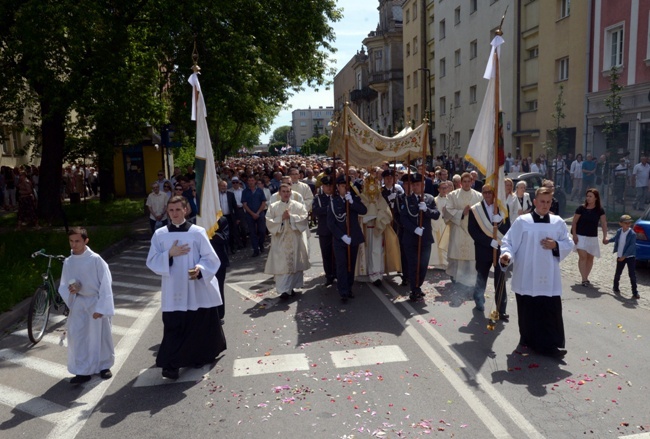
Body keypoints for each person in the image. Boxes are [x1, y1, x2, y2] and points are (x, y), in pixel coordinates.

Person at [146, 196, 227, 380]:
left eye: (178, 209)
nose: (174, 214)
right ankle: (171, 365)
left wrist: (200, 269)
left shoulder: (197, 232)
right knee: (174, 326)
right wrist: (169, 254)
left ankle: (198, 356)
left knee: (197, 324)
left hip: (195, 286)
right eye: (171, 210)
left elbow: (210, 258)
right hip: (173, 288)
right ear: (168, 212)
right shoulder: (160, 234)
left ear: (185, 210)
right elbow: (151, 261)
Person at [500, 187, 575, 358]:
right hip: (526, 274)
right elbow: (508, 242)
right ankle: (527, 340)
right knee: (528, 310)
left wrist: (556, 245)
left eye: (548, 202)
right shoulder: (522, 222)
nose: (545, 205)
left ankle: (551, 345)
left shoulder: (557, 222)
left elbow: (568, 243)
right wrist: (506, 255)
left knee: (550, 310)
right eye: (542, 201)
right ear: (534, 202)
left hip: (549, 276)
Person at [58, 227, 115, 384]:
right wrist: (72, 291)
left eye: (77, 241)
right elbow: (64, 284)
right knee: (78, 336)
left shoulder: (95, 260)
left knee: (100, 335)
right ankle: (83, 371)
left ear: (85, 241)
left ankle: (104, 366)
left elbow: (105, 284)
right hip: (79, 301)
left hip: (95, 301)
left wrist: (101, 308)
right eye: (71, 241)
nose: (74, 244)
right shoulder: (69, 262)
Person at [468, 185, 510, 318]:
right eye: (484, 192)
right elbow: (472, 230)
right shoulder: (475, 210)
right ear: (482, 193)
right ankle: (479, 301)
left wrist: (500, 223)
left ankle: (501, 309)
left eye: (489, 192)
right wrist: (488, 242)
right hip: (482, 249)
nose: (487, 195)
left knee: (500, 279)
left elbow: (508, 227)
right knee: (481, 277)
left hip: (499, 249)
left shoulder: (502, 208)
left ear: (494, 193)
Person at [264, 183, 310, 299]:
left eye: (288, 191)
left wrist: (292, 217)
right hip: (280, 240)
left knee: (294, 263)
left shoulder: (298, 206)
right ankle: (284, 290)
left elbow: (304, 218)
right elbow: (269, 221)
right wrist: (282, 218)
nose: (286, 194)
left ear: (291, 192)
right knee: (282, 265)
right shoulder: (273, 206)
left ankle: (292, 287)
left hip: (294, 239)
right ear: (279, 193)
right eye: (283, 191)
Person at [399, 174, 440, 300]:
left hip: (425, 238)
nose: (416, 187)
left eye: (418, 184)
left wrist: (426, 209)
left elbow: (436, 214)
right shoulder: (406, 199)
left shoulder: (429, 198)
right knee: (413, 264)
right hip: (411, 238)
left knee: (423, 266)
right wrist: (415, 229)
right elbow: (403, 218)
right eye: (414, 185)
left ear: (423, 185)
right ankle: (414, 289)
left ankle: (418, 285)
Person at [327, 175, 367, 302]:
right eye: (342, 186)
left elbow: (364, 210)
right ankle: (343, 291)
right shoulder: (334, 202)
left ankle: (349, 288)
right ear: (338, 187)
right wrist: (342, 236)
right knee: (341, 265)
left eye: (346, 186)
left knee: (351, 264)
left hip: (353, 237)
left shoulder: (353, 198)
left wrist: (352, 202)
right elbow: (331, 223)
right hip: (340, 240)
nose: (345, 188)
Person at [356, 173, 400, 285]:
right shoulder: (361, 198)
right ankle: (365, 272)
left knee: (376, 252)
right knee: (364, 251)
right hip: (364, 230)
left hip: (377, 229)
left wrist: (378, 218)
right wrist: (365, 217)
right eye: (369, 185)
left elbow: (386, 212)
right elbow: (357, 213)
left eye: (374, 185)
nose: (372, 189)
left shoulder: (380, 198)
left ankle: (376, 275)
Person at [443, 172, 482, 286]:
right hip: (458, 228)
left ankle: (470, 281)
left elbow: (482, 212)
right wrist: (461, 213)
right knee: (458, 256)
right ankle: (456, 278)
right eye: (464, 182)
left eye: (468, 181)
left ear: (472, 182)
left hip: (472, 231)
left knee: (471, 257)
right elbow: (448, 210)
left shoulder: (478, 196)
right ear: (461, 183)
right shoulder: (452, 195)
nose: (466, 184)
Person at [571, 188, 607, 286]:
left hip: (592, 237)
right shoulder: (581, 209)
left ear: (596, 198)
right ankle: (584, 279)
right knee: (583, 257)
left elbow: (604, 224)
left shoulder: (599, 210)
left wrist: (605, 237)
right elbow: (574, 222)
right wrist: (574, 234)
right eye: (587, 196)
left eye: (590, 196)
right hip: (580, 236)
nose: (588, 198)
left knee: (590, 258)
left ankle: (586, 276)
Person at [608, 214, 639, 299]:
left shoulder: (632, 234)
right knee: (618, 272)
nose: (628, 224)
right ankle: (615, 286)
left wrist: (624, 256)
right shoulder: (619, 231)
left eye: (629, 223)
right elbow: (616, 238)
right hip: (620, 255)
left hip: (630, 257)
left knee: (632, 274)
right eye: (626, 223)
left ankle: (635, 292)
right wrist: (608, 241)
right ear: (620, 223)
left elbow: (631, 246)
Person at [312, 175, 336, 286]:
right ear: (323, 186)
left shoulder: (336, 197)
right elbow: (316, 211)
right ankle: (329, 275)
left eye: (331, 185)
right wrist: (329, 209)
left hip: (337, 230)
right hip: (324, 230)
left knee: (337, 253)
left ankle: (336, 273)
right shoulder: (318, 198)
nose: (329, 188)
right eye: (327, 186)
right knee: (326, 254)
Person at [241, 174, 267, 257]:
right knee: (252, 233)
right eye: (249, 181)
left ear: (255, 181)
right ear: (247, 182)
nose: (251, 182)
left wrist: (258, 213)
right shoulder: (244, 192)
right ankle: (256, 249)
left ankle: (261, 245)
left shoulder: (260, 190)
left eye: (252, 180)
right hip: (249, 214)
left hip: (260, 213)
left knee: (262, 231)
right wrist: (252, 213)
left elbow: (263, 202)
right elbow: (244, 204)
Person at [211, 216, 230, 323]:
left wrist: (210, 230)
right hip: (201, 262)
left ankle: (219, 315)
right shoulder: (196, 221)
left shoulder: (222, 220)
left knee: (218, 287)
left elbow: (224, 238)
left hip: (219, 260)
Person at [429, 180, 452, 270]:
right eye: (442, 188)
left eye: (445, 188)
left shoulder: (450, 200)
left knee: (447, 244)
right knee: (438, 244)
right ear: (438, 189)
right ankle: (439, 263)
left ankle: (447, 263)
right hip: (438, 225)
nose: (444, 190)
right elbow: (433, 213)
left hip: (447, 225)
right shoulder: (434, 200)